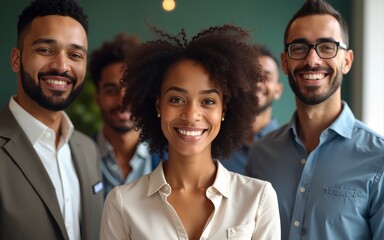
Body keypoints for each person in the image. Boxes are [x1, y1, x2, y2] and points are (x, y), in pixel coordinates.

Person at [100, 24, 281, 239]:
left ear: (223, 109)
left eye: (208, 101)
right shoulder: (121, 203)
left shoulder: (258, 198)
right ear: (158, 106)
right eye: (177, 99)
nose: (191, 114)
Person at [247, 0, 384, 239]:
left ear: (347, 61)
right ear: (285, 62)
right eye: (299, 48)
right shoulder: (260, 155)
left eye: (327, 47)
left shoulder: (379, 159)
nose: (312, 60)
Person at [0, 0, 104, 239]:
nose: (62, 66)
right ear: (16, 59)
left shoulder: (88, 149)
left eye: (75, 54)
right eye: (46, 50)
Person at [89, 33, 162, 198]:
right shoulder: (78, 157)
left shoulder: (171, 156)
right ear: (97, 98)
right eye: (111, 90)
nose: (123, 100)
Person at [220, 45, 283, 174]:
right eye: (251, 76)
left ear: (278, 90)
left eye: (267, 77)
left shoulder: (288, 148)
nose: (258, 83)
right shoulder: (216, 140)